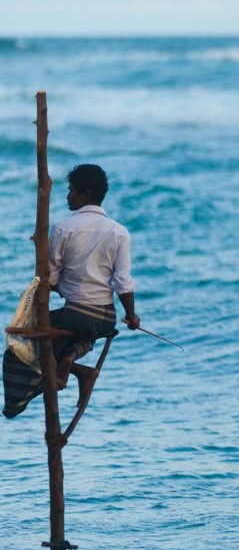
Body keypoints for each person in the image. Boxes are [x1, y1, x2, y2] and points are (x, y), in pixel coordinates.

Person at [3, 164, 138, 418]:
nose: (67, 196)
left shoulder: (64, 228)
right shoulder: (120, 232)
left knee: (19, 347)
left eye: (71, 191)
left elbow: (50, 277)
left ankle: (17, 402)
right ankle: (75, 367)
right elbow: (123, 282)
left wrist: (50, 286)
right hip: (105, 318)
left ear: (85, 194)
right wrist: (131, 316)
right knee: (77, 335)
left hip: (76, 314)